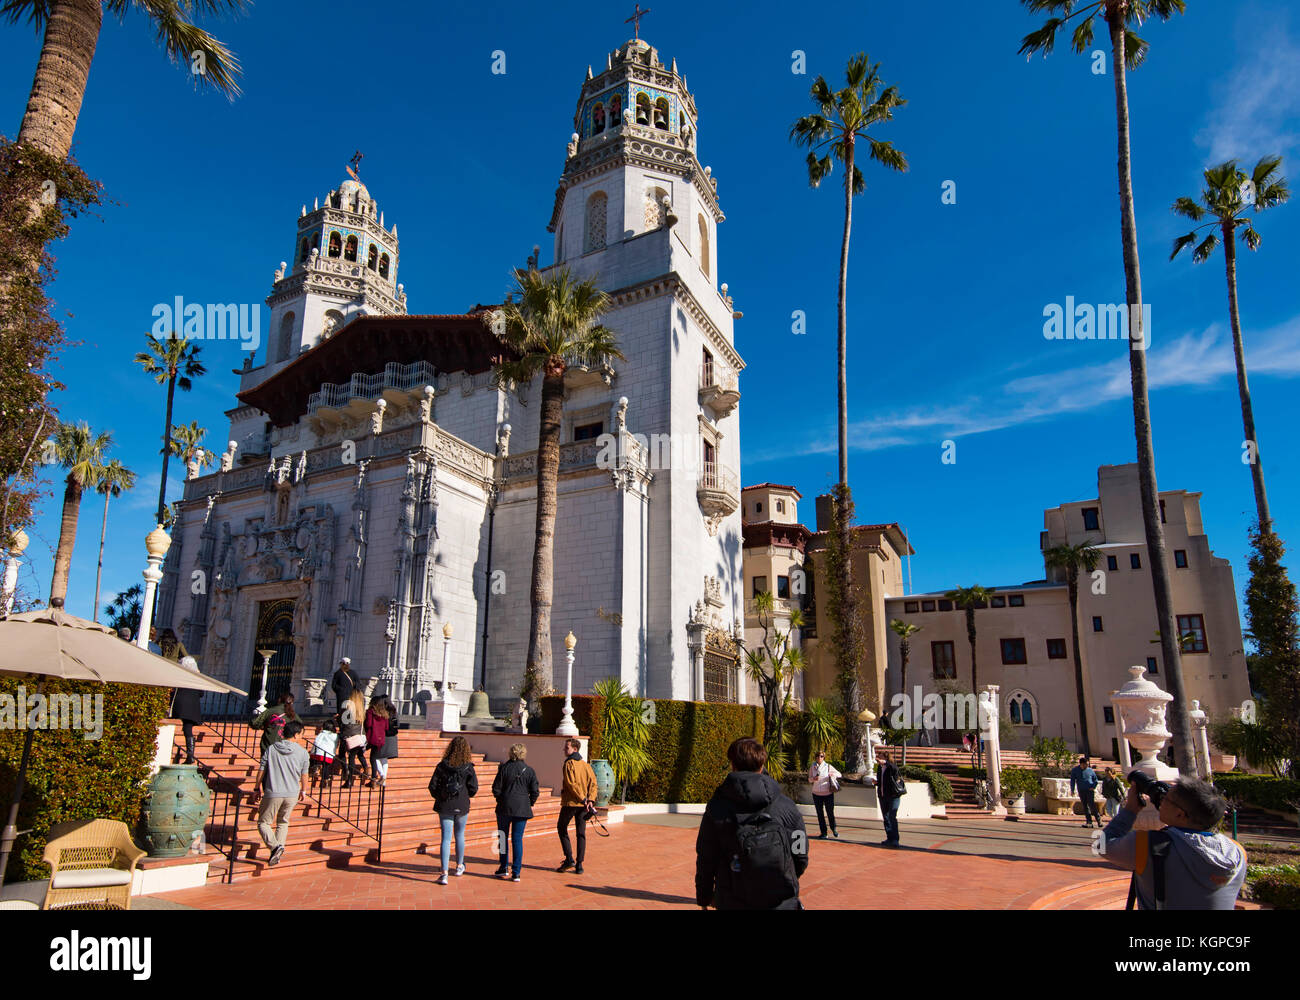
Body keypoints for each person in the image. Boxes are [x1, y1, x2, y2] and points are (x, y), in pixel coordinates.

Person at [1098, 776, 1247, 910]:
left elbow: (1103, 845)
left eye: (1166, 799)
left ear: (1179, 814)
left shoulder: (1147, 844)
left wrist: (1130, 810)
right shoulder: (1237, 851)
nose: (1160, 801)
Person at [695, 737, 809, 910]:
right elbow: (800, 852)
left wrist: (704, 898)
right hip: (781, 900)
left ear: (732, 764)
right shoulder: (786, 806)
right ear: (762, 765)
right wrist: (786, 877)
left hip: (732, 900)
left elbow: (706, 858)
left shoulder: (717, 808)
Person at [248, 720, 310, 867]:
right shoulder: (302, 752)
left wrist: (257, 787)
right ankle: (277, 849)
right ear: (295, 735)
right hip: (292, 793)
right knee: (283, 822)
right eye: (301, 734)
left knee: (263, 822)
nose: (301, 737)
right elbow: (304, 774)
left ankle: (275, 847)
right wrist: (304, 789)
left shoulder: (271, 749)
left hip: (274, 791)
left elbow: (262, 769)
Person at [429, 735, 478, 885]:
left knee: (445, 838)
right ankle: (459, 865)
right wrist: (465, 795)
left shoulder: (442, 766)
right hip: (461, 804)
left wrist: (440, 796)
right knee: (460, 835)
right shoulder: (468, 767)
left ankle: (444, 873)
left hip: (445, 804)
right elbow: (473, 788)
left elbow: (432, 786)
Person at [492, 742, 540, 881]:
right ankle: (516, 871)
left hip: (504, 807)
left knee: (502, 837)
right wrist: (529, 803)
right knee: (517, 839)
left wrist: (500, 799)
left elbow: (496, 788)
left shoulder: (504, 769)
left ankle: (503, 866)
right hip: (522, 808)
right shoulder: (529, 770)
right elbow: (535, 791)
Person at [556, 737, 598, 875]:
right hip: (583, 805)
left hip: (571, 803)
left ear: (574, 749)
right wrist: (590, 800)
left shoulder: (569, 764)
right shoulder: (586, 765)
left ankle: (569, 859)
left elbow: (571, 784)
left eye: (566, 747)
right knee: (581, 833)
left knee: (562, 827)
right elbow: (593, 783)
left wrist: (585, 799)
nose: (564, 749)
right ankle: (579, 864)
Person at [170, 655, 205, 765]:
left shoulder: (180, 674)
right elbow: (201, 693)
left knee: (186, 728)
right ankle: (190, 755)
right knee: (187, 728)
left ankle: (190, 755)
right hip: (192, 706)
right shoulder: (197, 677)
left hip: (181, 703)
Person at [808, 751, 841, 839]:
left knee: (830, 812)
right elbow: (809, 779)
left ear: (824, 758)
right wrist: (813, 779)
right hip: (816, 793)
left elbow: (839, 774)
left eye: (821, 756)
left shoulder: (828, 766)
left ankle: (833, 828)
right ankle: (823, 832)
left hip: (827, 793)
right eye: (817, 756)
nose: (819, 758)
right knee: (820, 814)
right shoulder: (813, 766)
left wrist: (832, 775)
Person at [875, 749, 904, 846]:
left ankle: (895, 839)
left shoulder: (891, 766)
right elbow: (881, 781)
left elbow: (896, 770)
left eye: (881, 757)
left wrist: (886, 763)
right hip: (883, 795)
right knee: (886, 818)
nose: (878, 759)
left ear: (886, 758)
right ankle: (889, 838)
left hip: (893, 795)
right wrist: (876, 782)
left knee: (892, 816)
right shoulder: (880, 768)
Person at [339, 690, 367, 786]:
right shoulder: (362, 709)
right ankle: (350, 779)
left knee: (342, 754)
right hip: (359, 736)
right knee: (352, 757)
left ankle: (345, 771)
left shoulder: (347, 706)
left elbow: (343, 721)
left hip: (348, 735)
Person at [364, 695, 390, 788]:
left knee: (371, 758)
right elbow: (387, 727)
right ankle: (375, 778)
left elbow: (368, 724)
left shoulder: (370, 712)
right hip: (381, 739)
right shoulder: (385, 714)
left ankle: (374, 778)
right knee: (374, 757)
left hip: (372, 737)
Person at [1070, 755, 1102, 828]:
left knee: (1092, 805)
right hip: (1081, 790)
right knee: (1085, 806)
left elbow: (1096, 780)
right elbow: (1072, 780)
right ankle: (1089, 822)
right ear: (1081, 764)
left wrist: (1093, 787)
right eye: (1084, 764)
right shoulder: (1075, 770)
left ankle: (1098, 819)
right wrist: (1072, 790)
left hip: (1089, 790)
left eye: (1086, 764)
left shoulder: (1090, 770)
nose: (1085, 766)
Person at [309, 718, 340, 786]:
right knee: (326, 767)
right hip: (329, 755)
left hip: (319, 754)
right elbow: (336, 745)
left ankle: (315, 769)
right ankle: (325, 779)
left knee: (313, 760)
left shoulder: (322, 734)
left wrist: (312, 751)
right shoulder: (336, 736)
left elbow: (316, 742)